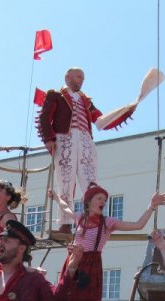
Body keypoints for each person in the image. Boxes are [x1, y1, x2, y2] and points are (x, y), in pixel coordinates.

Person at [38, 68, 134, 233]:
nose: (81, 80)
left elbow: (101, 121)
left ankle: (93, 220)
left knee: (90, 181)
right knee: (66, 182)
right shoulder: (56, 95)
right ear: (67, 77)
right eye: (78, 76)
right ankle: (65, 223)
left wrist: (125, 111)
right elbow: (44, 117)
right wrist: (49, 139)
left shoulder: (86, 100)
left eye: (82, 77)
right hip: (65, 140)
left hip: (85, 140)